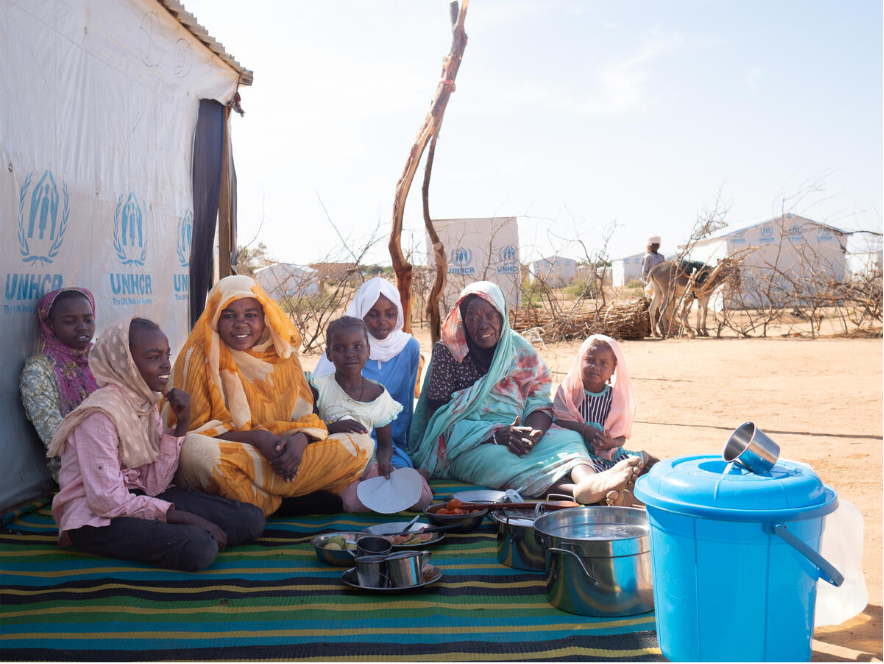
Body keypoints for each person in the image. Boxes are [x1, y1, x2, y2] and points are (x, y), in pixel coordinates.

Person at [48, 318, 265, 572]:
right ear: (125, 364)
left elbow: (154, 485)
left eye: (166, 355)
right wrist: (183, 516)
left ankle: (184, 528)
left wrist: (182, 424)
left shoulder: (145, 402)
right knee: (199, 546)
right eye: (153, 357)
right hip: (97, 518)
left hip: (138, 495)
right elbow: (107, 502)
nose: (166, 365)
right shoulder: (100, 415)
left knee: (249, 520)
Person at [409, 281, 641, 504]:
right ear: (462, 317)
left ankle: (589, 481)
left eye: (491, 316)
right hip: (469, 444)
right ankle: (578, 492)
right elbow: (438, 422)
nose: (483, 325)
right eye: (473, 317)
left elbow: (538, 400)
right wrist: (496, 435)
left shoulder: (518, 349)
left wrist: (533, 433)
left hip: (520, 431)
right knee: (500, 461)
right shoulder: (448, 353)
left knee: (568, 437)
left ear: (502, 316)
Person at [168, 275, 374, 516]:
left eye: (250, 315)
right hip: (238, 452)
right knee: (194, 452)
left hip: (283, 453)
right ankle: (287, 503)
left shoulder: (283, 353)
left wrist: (301, 441)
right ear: (215, 317)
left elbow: (305, 417)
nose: (241, 324)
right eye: (229, 315)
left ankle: (259, 499)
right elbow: (190, 430)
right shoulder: (198, 355)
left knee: (361, 444)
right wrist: (256, 437)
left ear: (264, 316)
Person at [310, 316, 432, 512]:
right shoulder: (319, 387)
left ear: (368, 350)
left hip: (369, 464)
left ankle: (412, 479)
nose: (350, 354)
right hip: (335, 468)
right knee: (350, 502)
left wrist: (384, 461)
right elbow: (306, 431)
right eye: (340, 348)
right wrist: (331, 428)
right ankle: (384, 494)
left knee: (422, 499)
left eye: (358, 346)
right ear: (329, 354)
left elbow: (384, 444)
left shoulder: (377, 393)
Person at [313, 277, 422, 469]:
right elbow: (320, 409)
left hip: (389, 443)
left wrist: (401, 447)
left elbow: (405, 404)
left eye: (390, 314)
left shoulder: (408, 347)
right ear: (361, 313)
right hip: (343, 439)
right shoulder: (350, 350)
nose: (382, 321)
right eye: (373, 314)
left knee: (400, 472)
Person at [552, 334, 654, 506]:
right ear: (580, 361)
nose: (595, 367)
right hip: (578, 454)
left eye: (603, 363)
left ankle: (626, 493)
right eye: (590, 360)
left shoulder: (616, 398)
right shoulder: (568, 392)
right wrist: (584, 430)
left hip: (609, 453)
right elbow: (557, 420)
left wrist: (611, 443)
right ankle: (613, 492)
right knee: (576, 474)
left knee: (638, 464)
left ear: (614, 369)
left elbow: (621, 436)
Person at [20, 288, 99, 483]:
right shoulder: (39, 370)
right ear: (50, 326)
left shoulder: (103, 359)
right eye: (70, 322)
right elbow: (55, 437)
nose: (82, 327)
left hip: (126, 457)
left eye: (88, 319)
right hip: (81, 473)